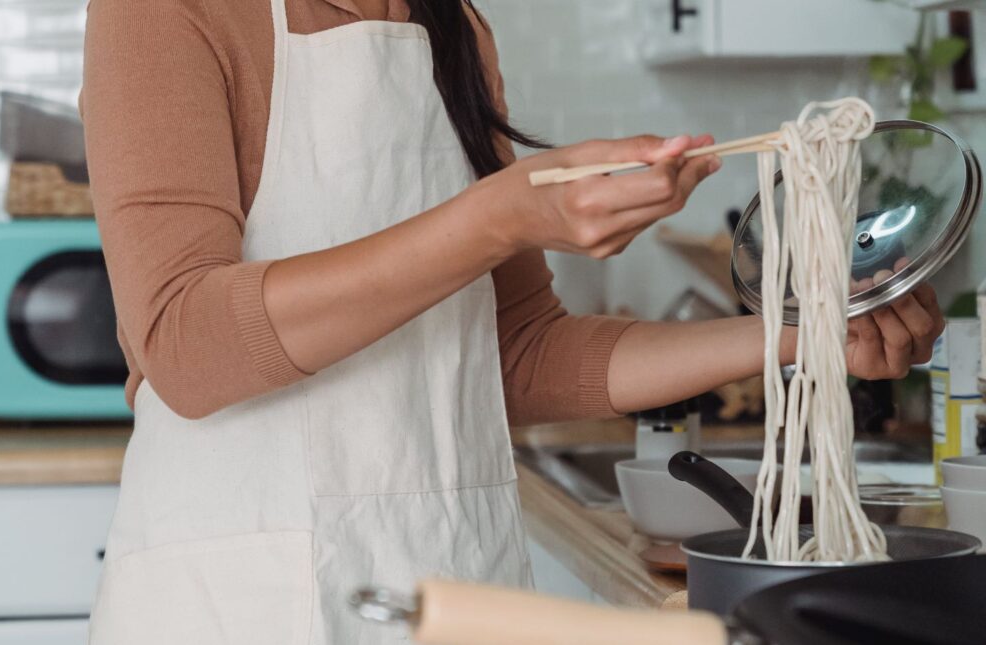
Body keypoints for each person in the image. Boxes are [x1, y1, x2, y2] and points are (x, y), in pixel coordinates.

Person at [80, 0, 945, 642]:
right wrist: (502, 217)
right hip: (238, 602)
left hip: (454, 581)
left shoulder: (454, 29)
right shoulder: (166, 11)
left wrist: (798, 335)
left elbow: (517, 353)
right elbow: (184, 343)